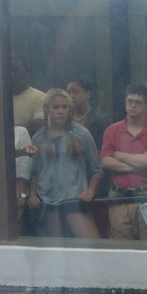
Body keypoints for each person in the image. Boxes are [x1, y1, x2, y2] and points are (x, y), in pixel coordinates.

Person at [28, 88, 101, 239]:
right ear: (46, 109)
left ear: (69, 109)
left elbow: (97, 169)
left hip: (74, 199)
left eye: (64, 107)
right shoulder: (39, 138)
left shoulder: (82, 134)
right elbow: (35, 171)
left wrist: (90, 191)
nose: (60, 111)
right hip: (48, 201)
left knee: (91, 246)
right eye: (56, 107)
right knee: (56, 250)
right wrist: (32, 193)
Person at [100, 84, 147, 240]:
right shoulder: (112, 130)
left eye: (138, 102)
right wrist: (137, 164)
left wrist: (119, 155)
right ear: (125, 101)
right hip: (119, 194)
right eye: (130, 101)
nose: (133, 105)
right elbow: (106, 162)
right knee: (121, 247)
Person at [0, 55, 45, 133]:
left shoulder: (40, 97)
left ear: (27, 73)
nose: (11, 74)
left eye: (16, 70)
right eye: (8, 70)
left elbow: (38, 128)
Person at [66, 78, 109, 153]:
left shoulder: (100, 120)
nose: (71, 96)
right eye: (69, 93)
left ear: (87, 94)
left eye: (75, 92)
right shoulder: (65, 119)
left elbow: (104, 151)